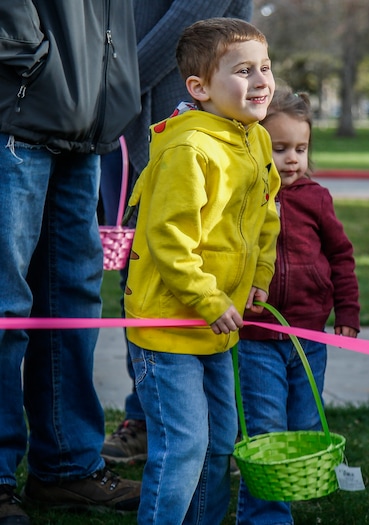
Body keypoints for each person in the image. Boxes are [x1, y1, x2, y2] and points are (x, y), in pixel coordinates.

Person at [123, 17, 279, 524]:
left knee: (218, 446)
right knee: (184, 446)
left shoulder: (254, 139)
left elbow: (265, 214)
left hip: (217, 328)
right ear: (200, 88)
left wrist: (258, 277)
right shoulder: (189, 149)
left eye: (265, 67)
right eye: (243, 70)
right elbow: (168, 240)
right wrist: (210, 299)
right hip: (167, 328)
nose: (260, 80)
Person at [0, 2, 143, 524]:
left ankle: (66, 468)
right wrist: (28, 57)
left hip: (87, 126)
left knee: (72, 305)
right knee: (5, 308)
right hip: (16, 109)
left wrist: (112, 85)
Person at [100, 0, 254, 467]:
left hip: (174, 118)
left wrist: (110, 83)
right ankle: (148, 416)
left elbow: (189, 26)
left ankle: (199, 425)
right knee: (139, 268)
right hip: (121, 126)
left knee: (198, 260)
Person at [235, 85, 361, 525]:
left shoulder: (316, 199)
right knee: (267, 431)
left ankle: (280, 498)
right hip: (256, 338)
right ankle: (264, 517)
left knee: (305, 427)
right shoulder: (245, 198)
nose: (292, 158)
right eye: (281, 148)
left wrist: (347, 313)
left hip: (309, 338)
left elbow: (342, 257)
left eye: (301, 148)